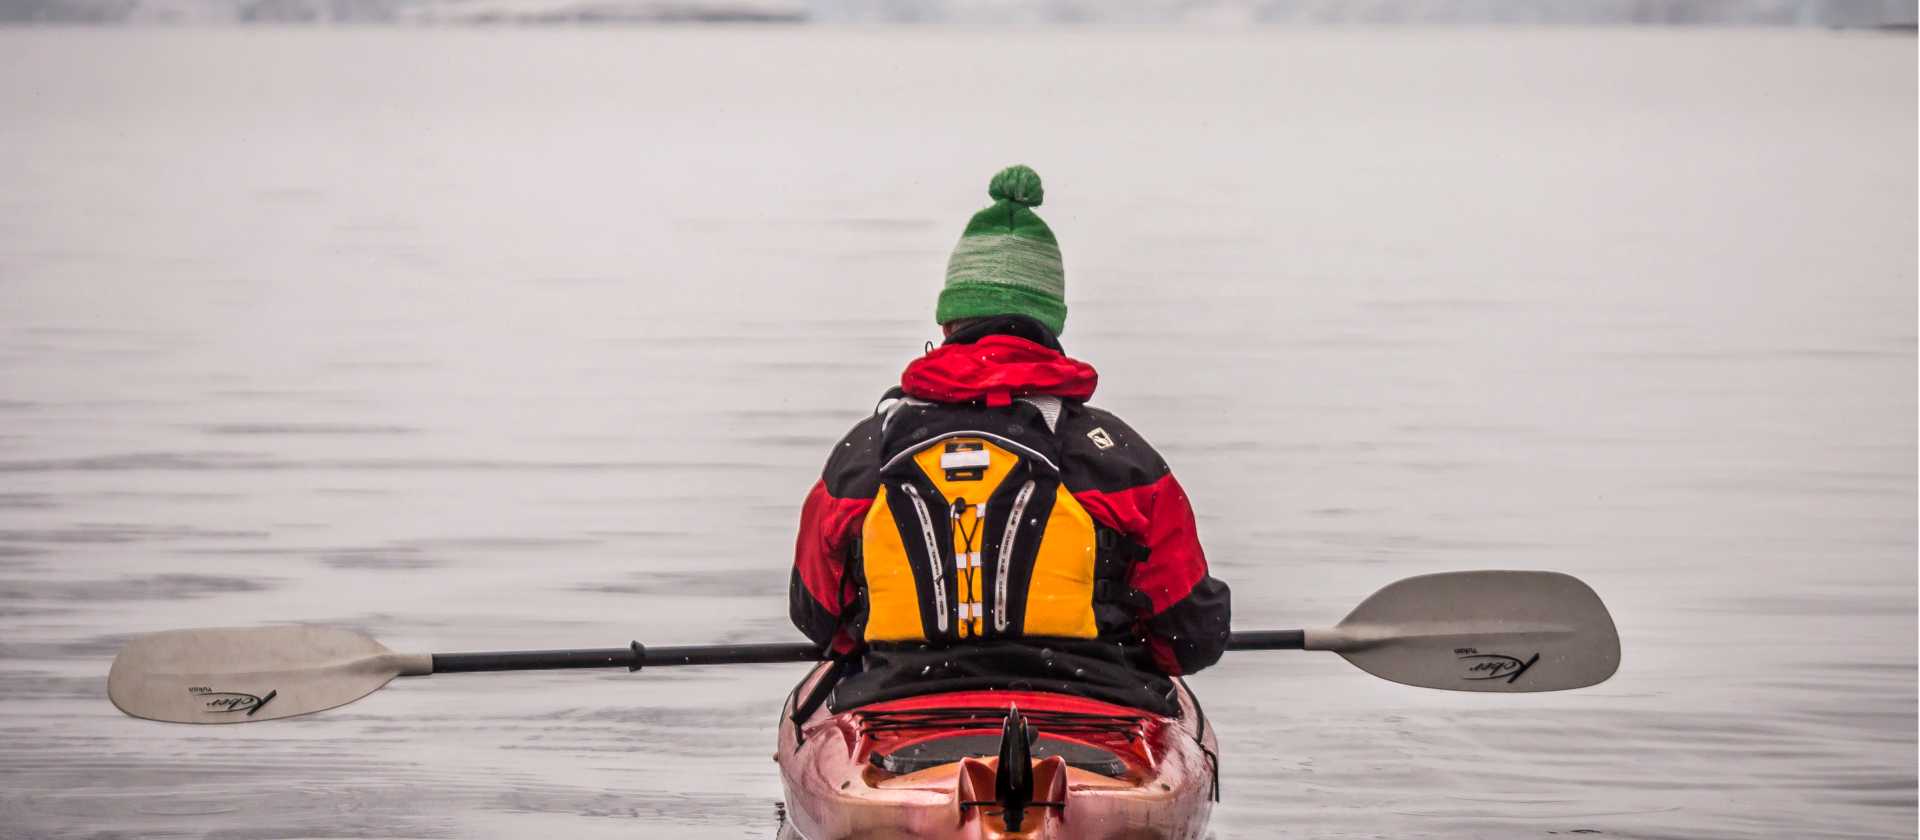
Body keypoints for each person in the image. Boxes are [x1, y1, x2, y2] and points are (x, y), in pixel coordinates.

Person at [788, 165, 1230, 714]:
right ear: (1050, 325)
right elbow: (1191, 636)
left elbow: (817, 618)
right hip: (1093, 711)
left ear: (949, 323)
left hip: (900, 709)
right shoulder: (1121, 460)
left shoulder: (864, 455)